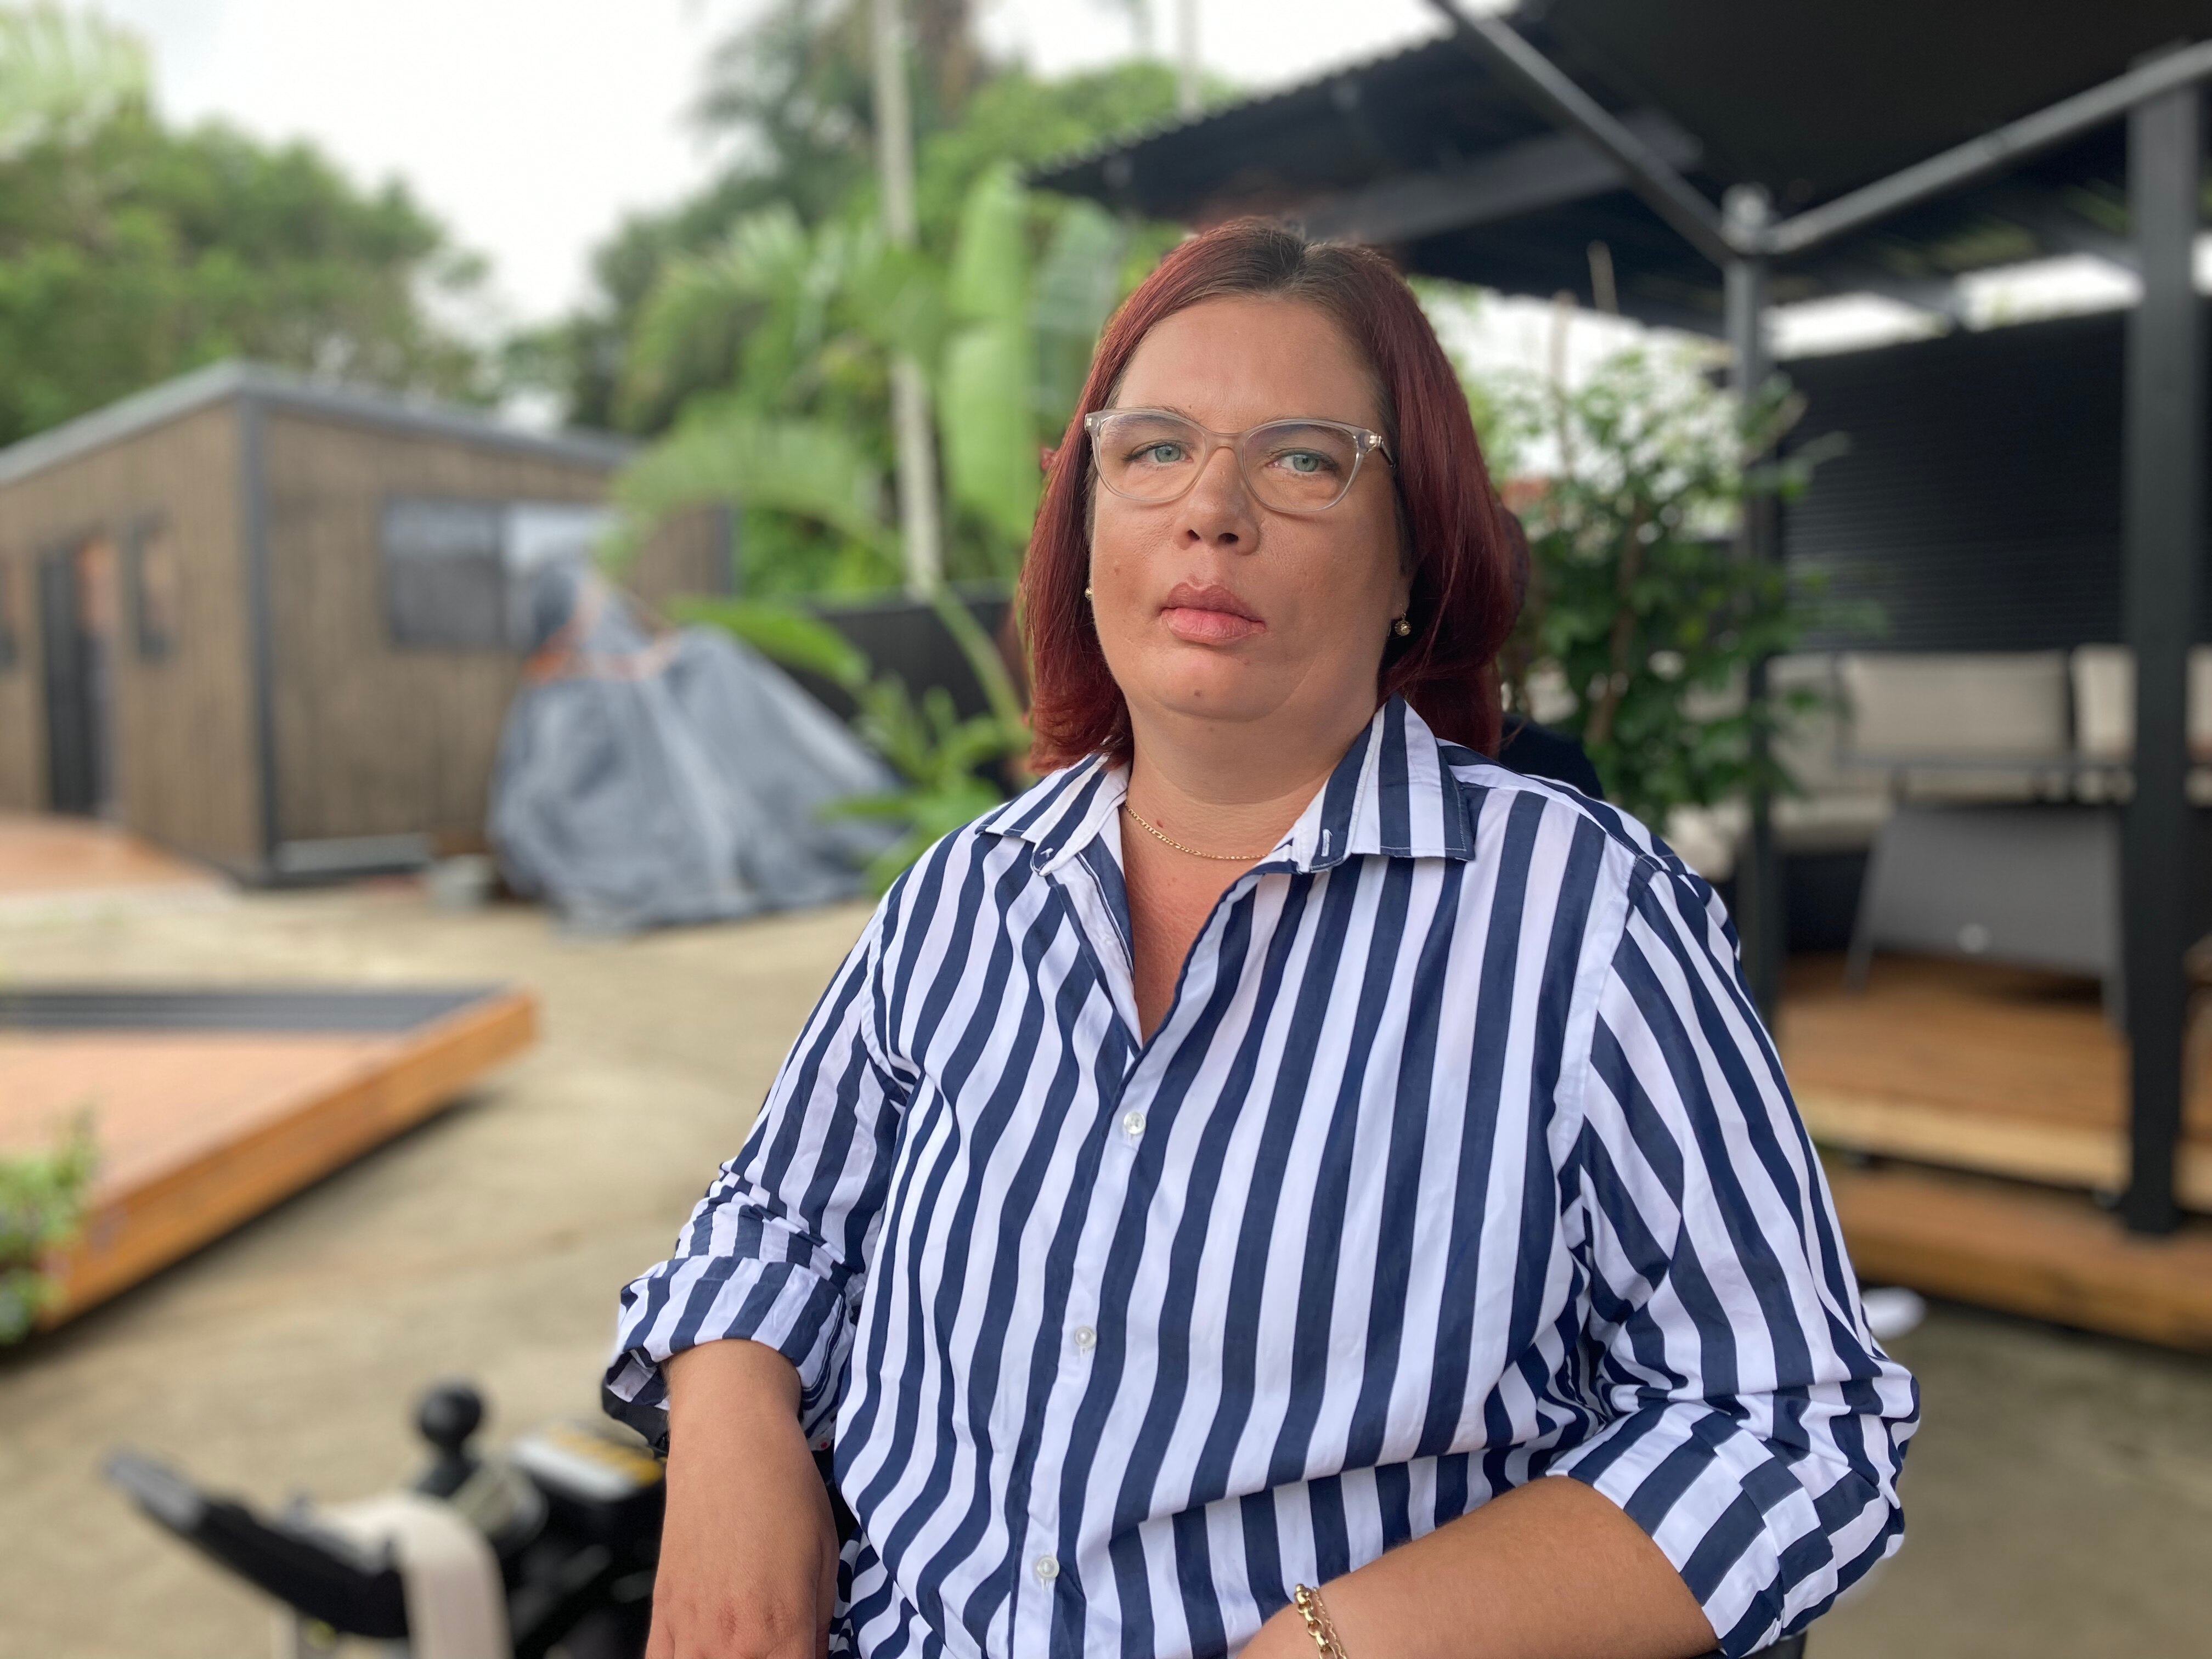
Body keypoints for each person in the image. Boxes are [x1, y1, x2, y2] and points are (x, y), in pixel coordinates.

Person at [606, 219, 1918, 1659]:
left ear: (1414, 553)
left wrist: (1329, 1647)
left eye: (1303, 458)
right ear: (1087, 533)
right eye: (1153, 448)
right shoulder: (961, 899)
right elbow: (775, 1214)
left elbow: (1789, 1423)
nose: (1209, 510)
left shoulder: (1582, 924)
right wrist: (735, 1446)